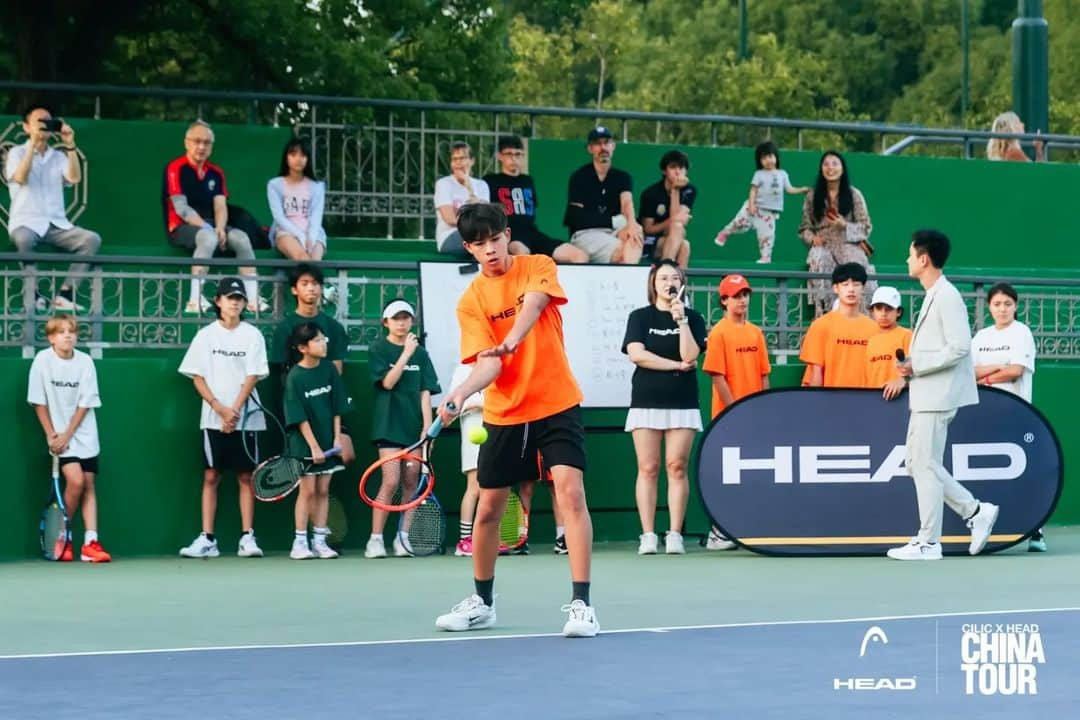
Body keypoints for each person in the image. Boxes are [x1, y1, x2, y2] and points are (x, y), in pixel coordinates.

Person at [434, 202, 598, 638]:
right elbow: (487, 364)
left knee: (570, 492)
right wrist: (460, 393)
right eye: (479, 244)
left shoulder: (537, 265)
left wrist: (509, 341)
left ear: (507, 234)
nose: (490, 250)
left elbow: (536, 303)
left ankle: (582, 605)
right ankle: (482, 603)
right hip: (505, 412)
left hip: (557, 401)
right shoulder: (470, 303)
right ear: (469, 248)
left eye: (495, 239)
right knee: (488, 509)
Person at [887, 230, 999, 561]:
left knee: (924, 465)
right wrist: (913, 365)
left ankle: (929, 541)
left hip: (937, 397)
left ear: (923, 259)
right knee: (922, 464)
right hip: (927, 396)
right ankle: (975, 512)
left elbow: (960, 346)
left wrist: (915, 366)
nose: (907, 260)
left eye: (910, 255)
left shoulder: (946, 296)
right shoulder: (935, 294)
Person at [177, 277, 269, 559]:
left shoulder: (253, 335)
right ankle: (208, 539)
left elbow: (252, 375)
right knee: (211, 476)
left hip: (247, 419)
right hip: (212, 418)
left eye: (239, 299)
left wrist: (235, 411)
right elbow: (197, 376)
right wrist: (220, 408)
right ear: (218, 301)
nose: (235, 303)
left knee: (246, 477)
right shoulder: (206, 336)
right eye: (230, 298)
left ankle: (247, 538)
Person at [621, 260, 707, 555]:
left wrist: (681, 320)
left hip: (682, 401)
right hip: (646, 399)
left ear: (682, 283)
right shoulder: (639, 317)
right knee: (648, 467)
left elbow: (691, 354)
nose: (668, 282)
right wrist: (675, 366)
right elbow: (637, 354)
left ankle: (674, 533)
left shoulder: (693, 318)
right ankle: (648, 534)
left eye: (674, 277)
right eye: (663, 278)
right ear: (653, 283)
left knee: (677, 466)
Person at [26, 315, 110, 562]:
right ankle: (64, 537)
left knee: (88, 482)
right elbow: (38, 401)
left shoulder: (85, 362)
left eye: (72, 331)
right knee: (75, 481)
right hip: (58, 435)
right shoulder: (42, 361)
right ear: (51, 338)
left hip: (83, 433)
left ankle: (90, 543)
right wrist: (51, 434)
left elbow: (85, 404)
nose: (68, 335)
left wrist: (67, 434)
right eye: (61, 332)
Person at [162, 120, 268, 315]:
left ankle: (252, 297)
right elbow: (182, 209)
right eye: (197, 141)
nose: (201, 146)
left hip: (211, 225)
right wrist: (209, 229)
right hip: (181, 226)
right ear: (187, 142)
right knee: (208, 237)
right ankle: (194, 300)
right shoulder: (175, 168)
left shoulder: (216, 173)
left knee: (241, 238)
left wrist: (220, 227)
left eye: (206, 142)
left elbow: (220, 205)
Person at [6, 106, 101, 312]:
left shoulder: (58, 156)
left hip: (57, 223)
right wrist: (33, 145)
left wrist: (70, 145)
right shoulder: (16, 152)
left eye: (48, 121)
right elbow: (21, 177)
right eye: (39, 121)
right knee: (24, 239)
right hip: (26, 221)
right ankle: (33, 294)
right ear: (26, 127)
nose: (44, 125)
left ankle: (66, 294)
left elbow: (74, 178)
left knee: (91, 239)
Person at [366, 298, 441, 558]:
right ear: (386, 322)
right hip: (387, 426)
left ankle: (403, 538)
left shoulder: (422, 354)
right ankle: (375, 540)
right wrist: (406, 353)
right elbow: (387, 383)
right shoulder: (378, 349)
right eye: (396, 318)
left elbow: (425, 391)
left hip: (413, 430)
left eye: (406, 318)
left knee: (411, 482)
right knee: (391, 480)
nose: (401, 323)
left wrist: (426, 427)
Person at [970, 282, 1042, 552]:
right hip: (985, 413)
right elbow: (969, 371)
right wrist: (998, 366)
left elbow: (1016, 370)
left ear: (1016, 306)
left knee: (1026, 472)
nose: (1002, 309)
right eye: (997, 304)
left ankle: (1036, 531)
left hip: (1017, 412)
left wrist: (988, 375)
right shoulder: (981, 337)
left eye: (1008, 304)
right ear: (989, 306)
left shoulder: (1021, 333)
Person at [701, 274, 771, 550]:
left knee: (751, 473)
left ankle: (743, 527)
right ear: (724, 300)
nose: (742, 300)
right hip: (727, 417)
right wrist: (735, 411)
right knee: (726, 473)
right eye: (736, 295)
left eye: (745, 294)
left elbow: (764, 373)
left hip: (753, 416)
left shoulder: (756, 333)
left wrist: (762, 406)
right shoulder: (719, 332)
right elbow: (718, 376)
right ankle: (717, 532)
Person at [269, 264, 355, 464]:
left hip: (328, 404)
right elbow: (283, 374)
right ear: (294, 289)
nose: (311, 288)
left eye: (315, 284)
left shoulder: (333, 327)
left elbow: (337, 370)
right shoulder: (284, 329)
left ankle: (328, 492)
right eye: (305, 283)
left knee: (346, 454)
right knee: (308, 460)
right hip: (300, 408)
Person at [282, 322, 348, 560]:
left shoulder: (329, 369)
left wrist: (336, 437)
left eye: (324, 339)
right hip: (304, 443)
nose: (324, 344)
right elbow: (298, 417)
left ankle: (320, 541)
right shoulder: (295, 377)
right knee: (307, 491)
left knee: (323, 490)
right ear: (303, 347)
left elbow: (337, 406)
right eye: (318, 340)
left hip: (328, 441)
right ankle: (300, 542)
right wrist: (314, 447)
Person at [483, 135, 588, 264]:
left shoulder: (528, 180)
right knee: (522, 254)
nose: (514, 158)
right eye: (509, 154)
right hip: (509, 234)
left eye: (518, 154)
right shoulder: (490, 181)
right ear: (500, 156)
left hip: (532, 232)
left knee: (579, 256)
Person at [797, 151, 875, 317]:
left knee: (856, 264)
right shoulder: (812, 196)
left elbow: (866, 227)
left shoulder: (854, 194)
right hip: (823, 244)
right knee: (818, 257)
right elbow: (804, 228)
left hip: (848, 243)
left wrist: (844, 225)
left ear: (842, 168)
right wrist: (813, 239)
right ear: (821, 169)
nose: (830, 168)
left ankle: (859, 315)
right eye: (826, 164)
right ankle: (825, 315)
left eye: (835, 164)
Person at [715, 141, 808, 264]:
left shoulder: (782, 174)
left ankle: (765, 257)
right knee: (738, 222)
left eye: (770, 156)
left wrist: (801, 189)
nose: (768, 160)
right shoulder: (759, 174)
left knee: (767, 236)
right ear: (760, 161)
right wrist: (752, 205)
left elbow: (789, 189)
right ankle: (725, 233)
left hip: (768, 213)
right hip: (753, 207)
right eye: (764, 158)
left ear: (776, 157)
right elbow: (753, 190)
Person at [564, 126, 644, 264]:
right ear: (590, 149)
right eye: (597, 144)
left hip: (615, 231)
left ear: (613, 146)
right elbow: (575, 218)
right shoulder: (579, 177)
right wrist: (612, 221)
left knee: (635, 238)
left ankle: (626, 284)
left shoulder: (622, 177)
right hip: (586, 234)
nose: (603, 148)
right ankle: (629, 284)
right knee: (621, 251)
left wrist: (631, 224)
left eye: (607, 143)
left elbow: (626, 202)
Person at [799, 263, 880, 388]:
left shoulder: (874, 329)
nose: (851, 289)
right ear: (836, 288)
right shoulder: (820, 326)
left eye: (856, 284)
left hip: (865, 399)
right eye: (845, 285)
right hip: (830, 400)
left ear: (863, 288)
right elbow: (816, 371)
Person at [267, 137, 328, 262]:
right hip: (285, 232)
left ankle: (302, 282)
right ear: (286, 157)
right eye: (293, 154)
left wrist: (310, 238)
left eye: (303, 155)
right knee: (302, 258)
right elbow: (279, 217)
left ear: (308, 159)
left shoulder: (317, 186)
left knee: (315, 262)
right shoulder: (275, 185)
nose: (298, 159)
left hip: (314, 233)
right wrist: (300, 236)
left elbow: (316, 217)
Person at [638, 150, 696, 267]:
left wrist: (675, 190)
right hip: (649, 240)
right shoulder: (651, 193)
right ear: (664, 171)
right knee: (678, 229)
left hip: (672, 237)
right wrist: (674, 220)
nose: (678, 172)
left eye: (682, 168)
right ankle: (666, 273)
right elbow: (648, 228)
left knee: (685, 245)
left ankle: (678, 284)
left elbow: (677, 224)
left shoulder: (689, 190)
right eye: (673, 167)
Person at [434, 141, 490, 256]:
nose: (458, 163)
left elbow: (486, 217)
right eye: (454, 159)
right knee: (484, 241)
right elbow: (450, 219)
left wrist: (469, 187)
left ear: (472, 161)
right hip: (450, 236)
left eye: (462, 158)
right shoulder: (443, 184)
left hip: (478, 235)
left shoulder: (481, 185)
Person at [868, 286, 913, 400]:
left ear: (898, 312)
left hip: (901, 398)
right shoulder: (868, 338)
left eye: (888, 309)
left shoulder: (907, 336)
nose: (883, 313)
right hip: (871, 398)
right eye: (878, 308)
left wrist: (903, 380)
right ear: (872, 311)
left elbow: (918, 369)